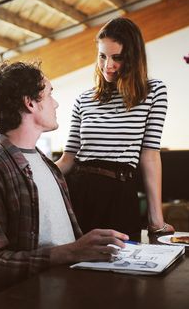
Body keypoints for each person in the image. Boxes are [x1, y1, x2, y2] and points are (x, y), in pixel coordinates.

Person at [0, 61, 128, 297]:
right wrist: (70, 252)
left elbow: (69, 245)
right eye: (49, 94)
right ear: (30, 103)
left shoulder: (48, 166)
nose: (55, 103)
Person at [56, 17, 175, 236]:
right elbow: (68, 159)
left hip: (120, 195)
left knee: (122, 266)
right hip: (79, 192)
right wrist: (29, 176)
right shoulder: (83, 99)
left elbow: (149, 155)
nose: (107, 65)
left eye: (117, 58)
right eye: (102, 56)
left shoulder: (154, 92)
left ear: (132, 58)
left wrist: (156, 219)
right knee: (73, 268)